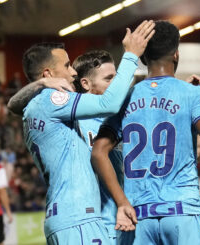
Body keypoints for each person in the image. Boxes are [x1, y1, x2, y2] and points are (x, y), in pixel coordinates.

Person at [91, 20, 200, 245]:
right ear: (176, 55)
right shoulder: (191, 94)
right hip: (182, 212)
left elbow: (98, 153)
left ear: (143, 57)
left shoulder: (123, 99)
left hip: (138, 216)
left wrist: (122, 202)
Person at [7, 20, 155, 245]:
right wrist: (131, 55)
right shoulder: (51, 99)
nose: (72, 72)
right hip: (77, 217)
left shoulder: (39, 105)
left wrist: (39, 84)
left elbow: (13, 105)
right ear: (48, 73)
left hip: (70, 216)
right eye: (66, 65)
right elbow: (110, 102)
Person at [72, 49, 124, 245]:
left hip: (124, 221)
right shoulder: (75, 124)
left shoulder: (121, 121)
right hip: (94, 227)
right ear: (85, 83)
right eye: (108, 78)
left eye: (116, 78)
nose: (116, 84)